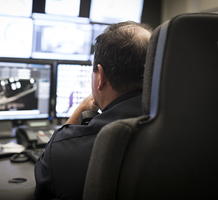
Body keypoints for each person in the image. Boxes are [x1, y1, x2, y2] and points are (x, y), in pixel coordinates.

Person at [34, 21, 153, 200]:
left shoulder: (67, 150)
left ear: (100, 77)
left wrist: (80, 110)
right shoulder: (185, 133)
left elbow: (44, 175)